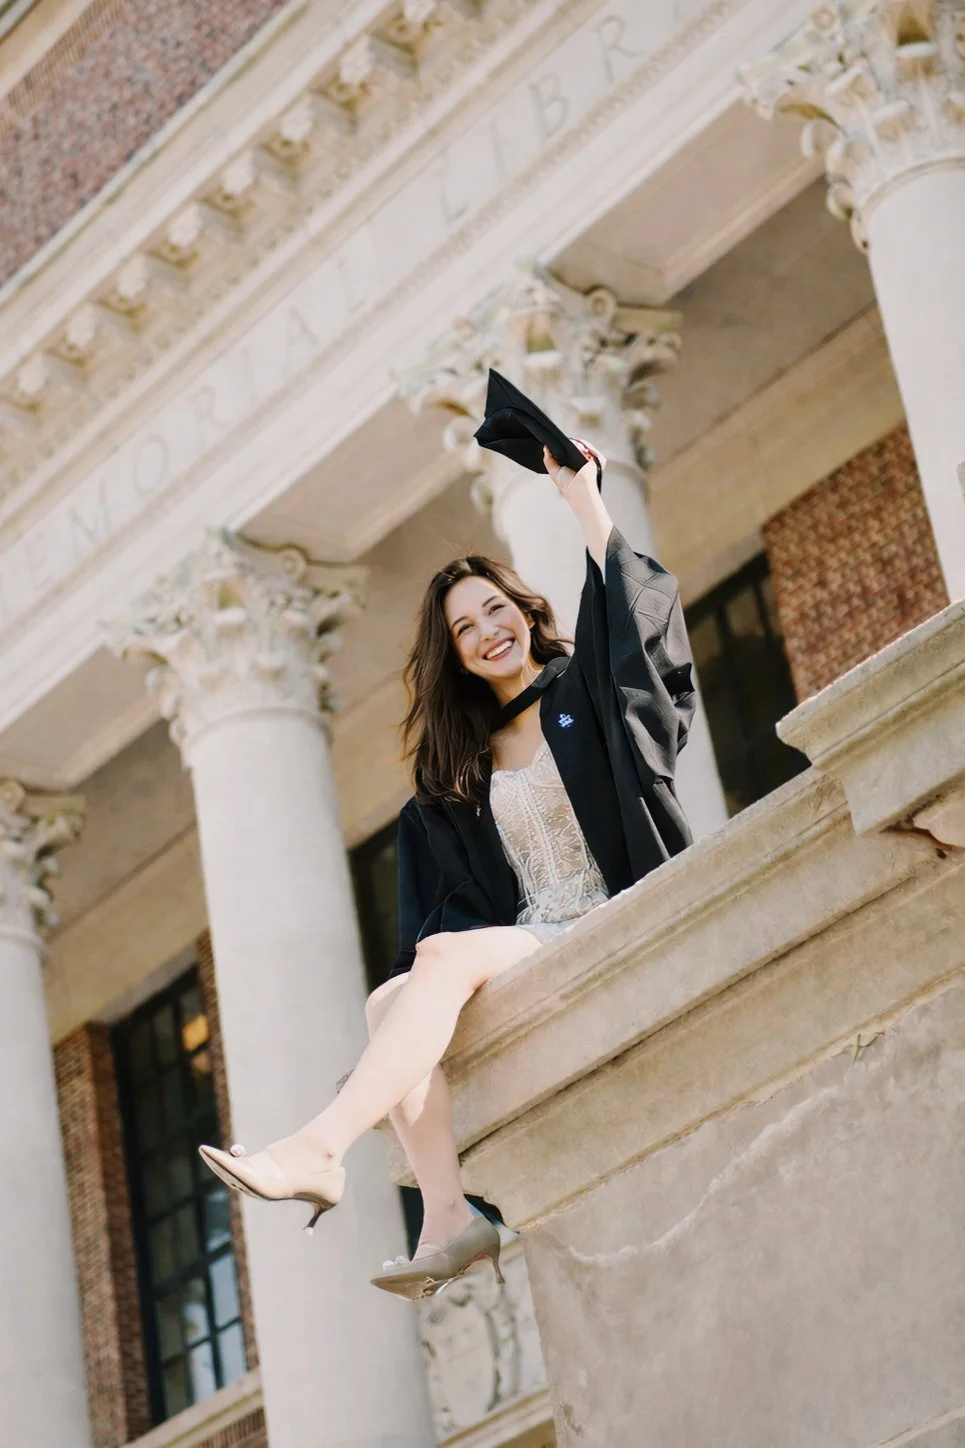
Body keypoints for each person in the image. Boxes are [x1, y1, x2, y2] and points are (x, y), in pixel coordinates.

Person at [199, 439, 696, 1300]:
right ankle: (447, 1216)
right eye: (464, 628)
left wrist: (582, 499)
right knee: (387, 999)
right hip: (534, 931)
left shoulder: (584, 693)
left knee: (441, 960)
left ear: (524, 610)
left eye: (494, 609)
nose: (487, 632)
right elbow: (449, 905)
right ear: (455, 655)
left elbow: (637, 626)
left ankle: (318, 1148)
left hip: (610, 910)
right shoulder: (458, 778)